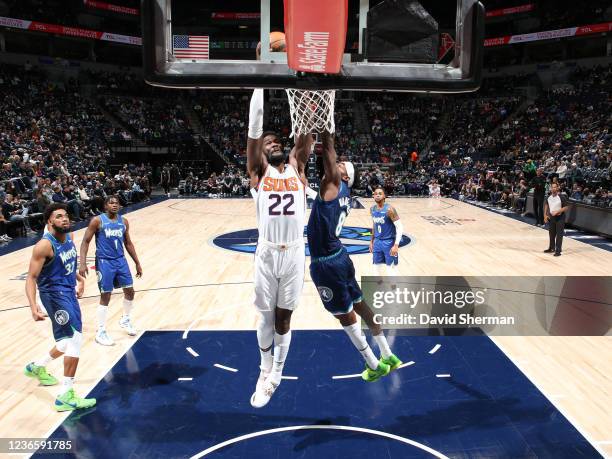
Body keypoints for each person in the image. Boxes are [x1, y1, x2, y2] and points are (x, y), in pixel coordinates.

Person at [308, 132, 401, 383]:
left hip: (326, 262)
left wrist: (328, 132)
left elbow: (327, 155)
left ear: (345, 176)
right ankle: (388, 354)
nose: (335, 166)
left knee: (345, 315)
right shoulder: (344, 193)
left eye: (339, 166)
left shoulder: (334, 185)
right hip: (340, 256)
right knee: (361, 304)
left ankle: (373, 364)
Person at [247, 88, 312, 408]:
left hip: (295, 252)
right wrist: (261, 83)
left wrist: (307, 88)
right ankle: (263, 370)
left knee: (284, 318)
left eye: (277, 142)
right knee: (265, 319)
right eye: (267, 142)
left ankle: (277, 375)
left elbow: (306, 135)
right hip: (267, 251)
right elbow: (254, 129)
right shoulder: (259, 172)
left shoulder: (297, 168)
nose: (272, 143)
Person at [23, 203, 96, 411]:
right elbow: (31, 278)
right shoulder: (44, 246)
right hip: (54, 295)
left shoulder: (69, 238)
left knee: (66, 340)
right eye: (58, 216)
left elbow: (68, 264)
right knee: (75, 338)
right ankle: (66, 395)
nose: (64, 219)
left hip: (69, 293)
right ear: (49, 222)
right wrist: (33, 305)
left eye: (65, 215)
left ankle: (37, 366)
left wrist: (79, 278)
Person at [78, 195, 143, 346]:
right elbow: (85, 242)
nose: (115, 205)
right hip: (104, 262)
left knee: (130, 291)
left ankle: (125, 319)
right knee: (106, 295)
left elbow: (128, 243)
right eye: (111, 203)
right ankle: (100, 331)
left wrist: (137, 262)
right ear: (105, 206)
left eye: (117, 203)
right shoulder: (97, 221)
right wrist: (82, 263)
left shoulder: (124, 221)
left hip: (121, 260)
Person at [369, 187, 403, 272]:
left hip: (389, 243)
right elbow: (375, 225)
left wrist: (396, 245)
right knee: (376, 269)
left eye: (380, 194)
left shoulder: (389, 209)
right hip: (377, 242)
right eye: (375, 194)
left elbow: (400, 227)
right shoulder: (372, 209)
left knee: (391, 270)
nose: (377, 195)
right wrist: (371, 241)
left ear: (384, 196)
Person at [544, 182, 570, 256]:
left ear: (558, 188)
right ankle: (551, 248)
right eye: (552, 187)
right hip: (552, 217)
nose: (553, 189)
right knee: (551, 233)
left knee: (559, 234)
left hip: (560, 217)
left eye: (555, 187)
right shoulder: (549, 197)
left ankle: (558, 250)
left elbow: (566, 207)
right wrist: (545, 215)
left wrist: (557, 211)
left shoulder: (562, 197)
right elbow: (546, 204)